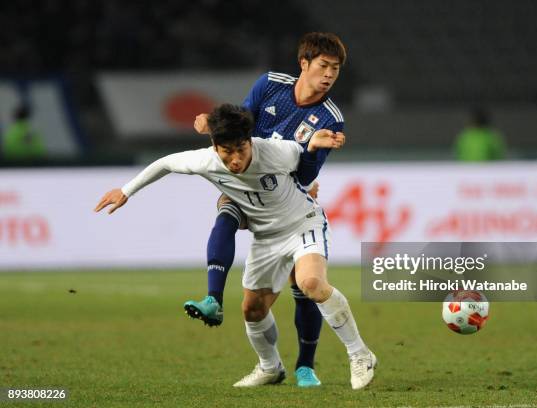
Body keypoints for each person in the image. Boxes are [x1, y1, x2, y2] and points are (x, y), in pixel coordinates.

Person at [94, 104, 376, 390]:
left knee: (311, 283)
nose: (236, 158)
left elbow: (304, 165)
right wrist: (126, 190)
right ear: (215, 147)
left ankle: (360, 354)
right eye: (227, 151)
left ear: (250, 140)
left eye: (241, 148)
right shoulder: (206, 161)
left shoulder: (275, 150)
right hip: (266, 238)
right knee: (252, 310)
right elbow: (165, 164)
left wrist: (312, 172)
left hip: (302, 223)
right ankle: (270, 368)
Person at [188, 32, 346, 387]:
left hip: (287, 197)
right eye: (323, 66)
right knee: (225, 211)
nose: (329, 75)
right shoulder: (270, 85)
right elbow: (240, 124)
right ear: (304, 63)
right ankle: (213, 298)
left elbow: (306, 173)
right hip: (246, 182)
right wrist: (211, 126)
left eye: (335, 69)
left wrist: (312, 151)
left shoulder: (331, 118)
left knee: (303, 284)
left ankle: (306, 366)